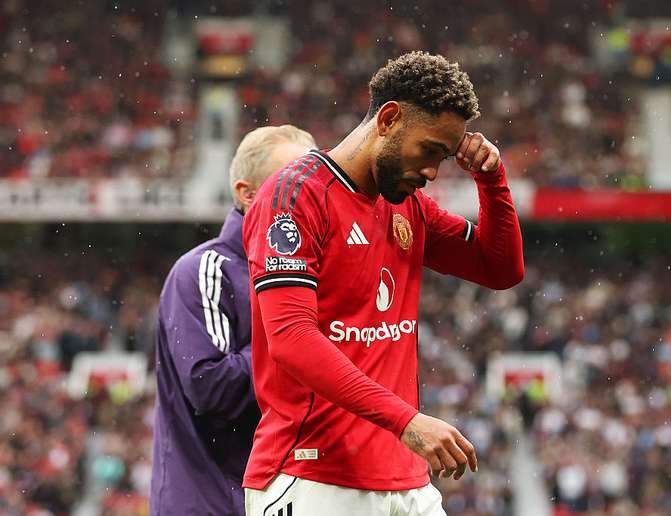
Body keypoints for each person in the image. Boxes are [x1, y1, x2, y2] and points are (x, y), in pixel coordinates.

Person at [242, 51, 525, 516]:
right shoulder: (294, 196)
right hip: (314, 476)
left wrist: (492, 180)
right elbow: (291, 339)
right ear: (389, 119)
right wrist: (407, 421)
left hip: (407, 480)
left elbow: (500, 269)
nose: (433, 172)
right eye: (430, 150)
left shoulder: (408, 206)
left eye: (445, 157)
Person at [151, 125, 316, 516]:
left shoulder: (316, 272)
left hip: (287, 497)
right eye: (290, 183)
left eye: (314, 183)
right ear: (247, 193)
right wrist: (293, 330)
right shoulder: (205, 270)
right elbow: (211, 387)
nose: (308, 196)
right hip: (213, 501)